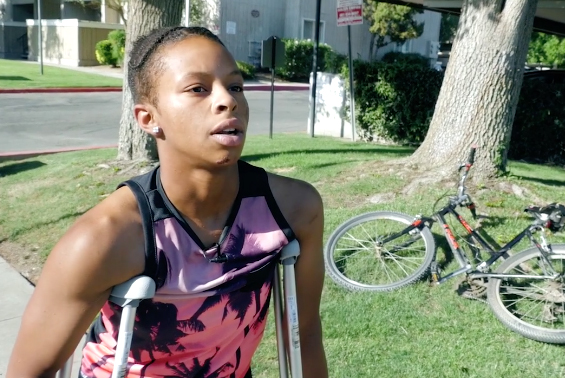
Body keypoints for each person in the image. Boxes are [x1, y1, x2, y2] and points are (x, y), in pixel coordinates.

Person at [7, 26, 328, 378]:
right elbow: (31, 370)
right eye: (198, 89)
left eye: (235, 86)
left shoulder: (294, 209)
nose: (228, 100)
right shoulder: (103, 238)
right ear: (149, 119)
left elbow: (304, 333)